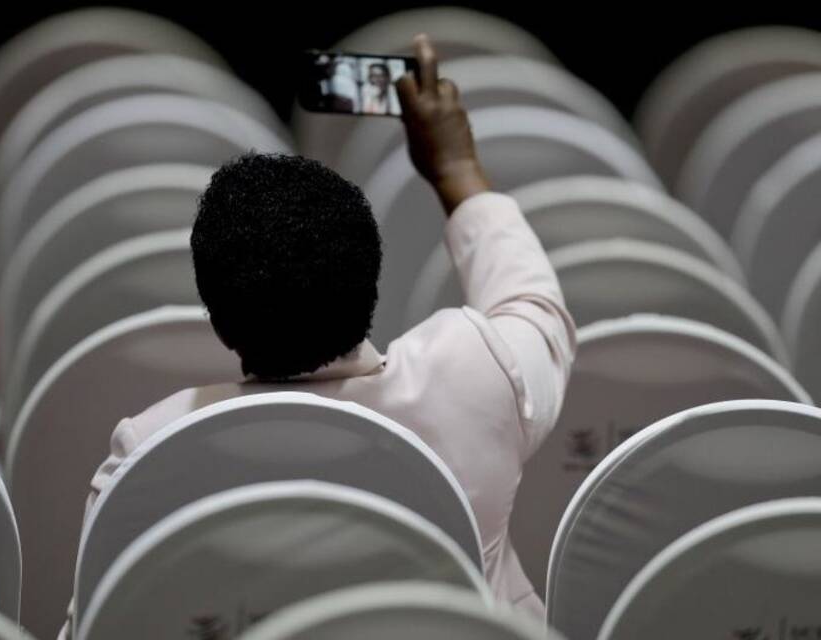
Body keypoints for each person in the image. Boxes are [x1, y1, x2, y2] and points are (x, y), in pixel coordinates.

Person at [63, 34, 575, 637]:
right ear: (370, 284)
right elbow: (535, 305)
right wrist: (457, 169)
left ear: (219, 320)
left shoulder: (146, 454)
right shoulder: (477, 380)